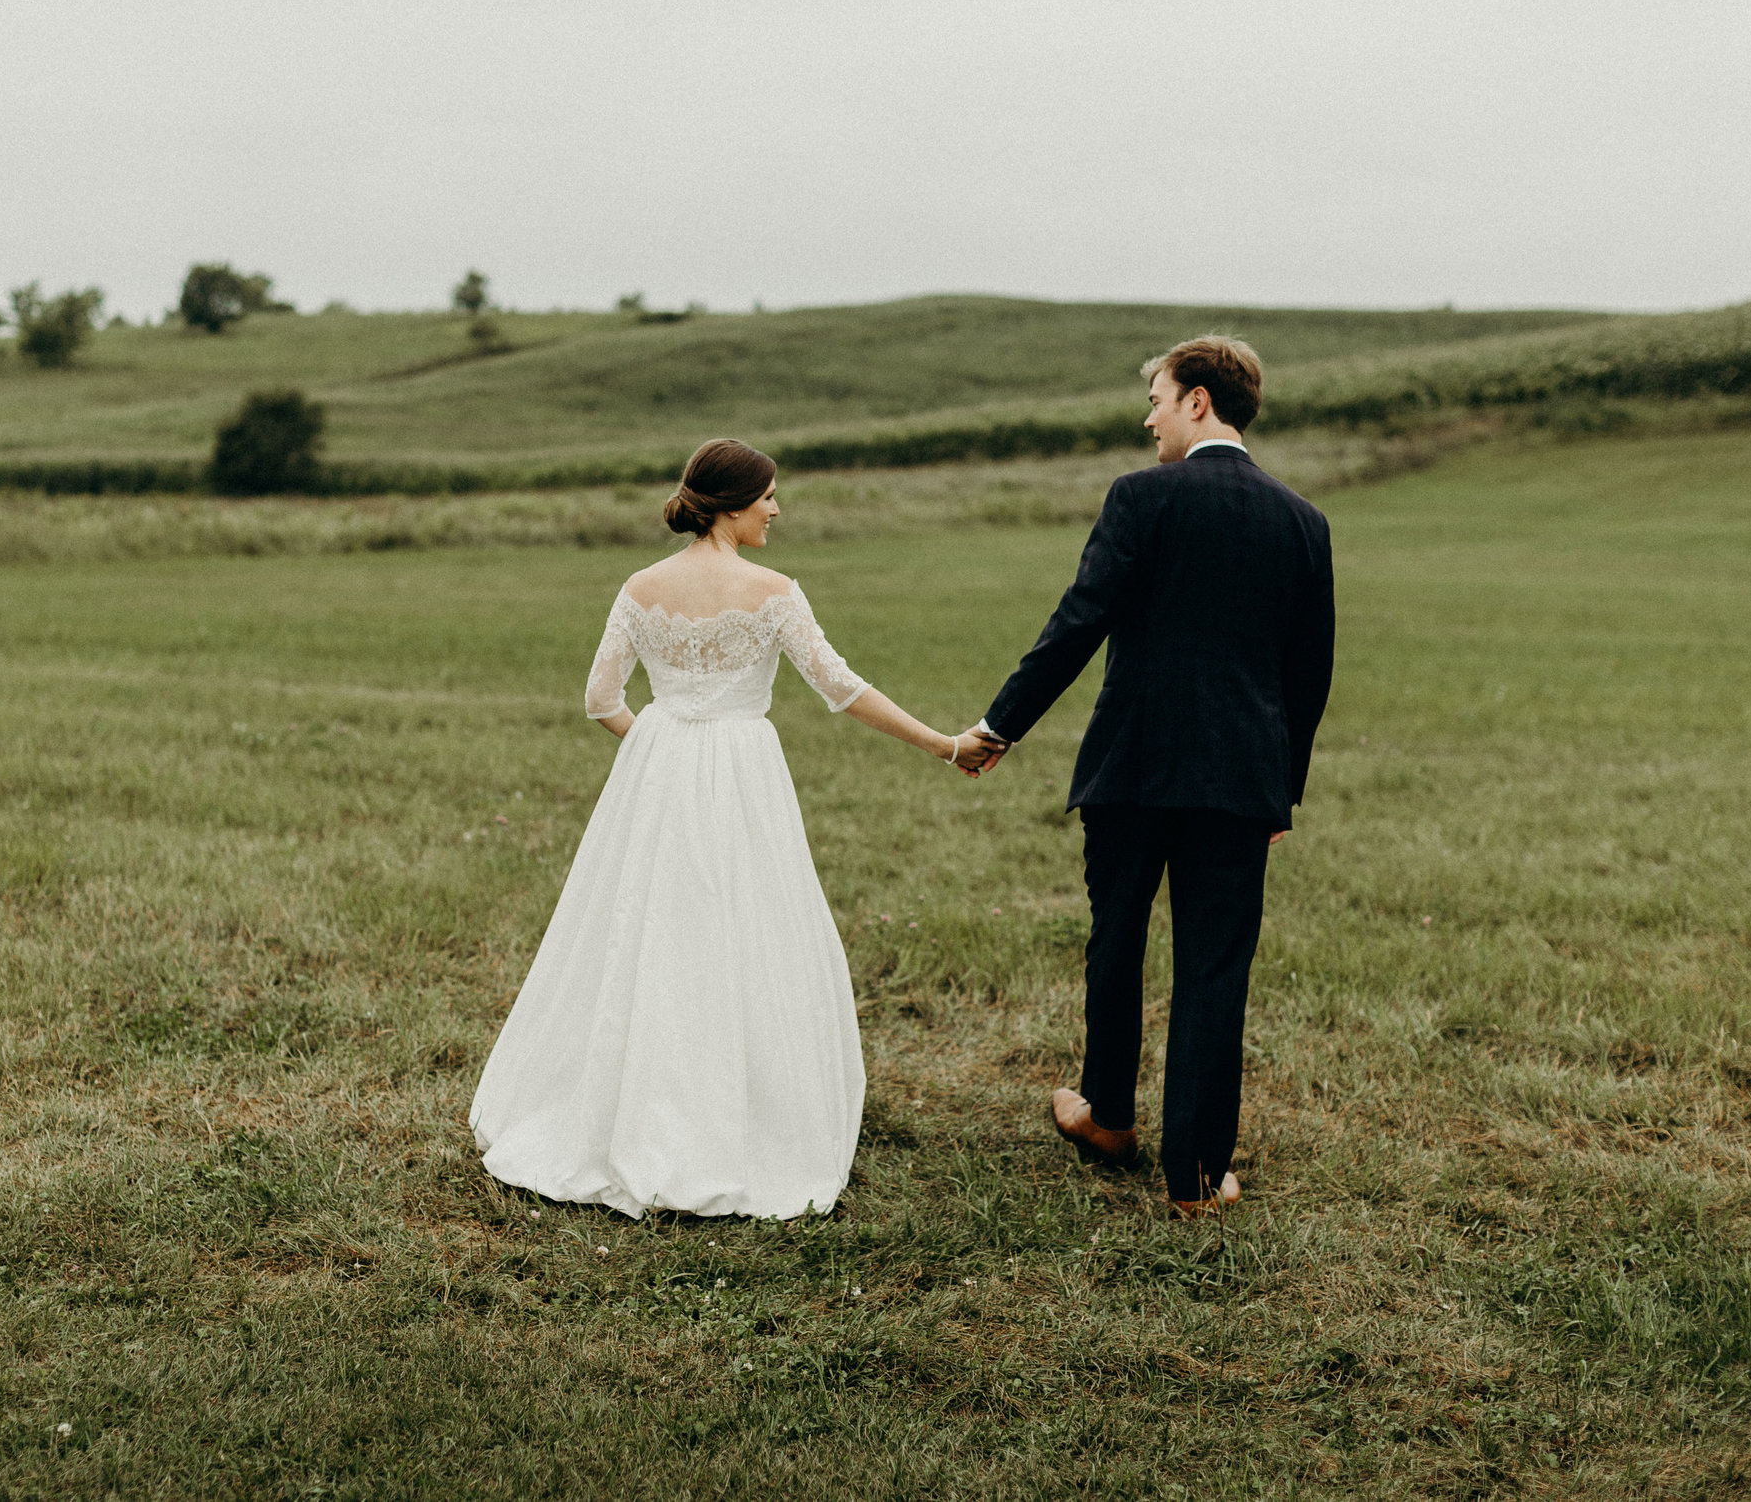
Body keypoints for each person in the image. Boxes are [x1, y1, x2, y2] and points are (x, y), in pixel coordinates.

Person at [470, 438, 981, 1219]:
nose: (777, 509)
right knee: (750, 932)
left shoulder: (640, 586)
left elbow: (600, 697)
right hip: (745, 772)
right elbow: (842, 689)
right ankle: (742, 1120)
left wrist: (660, 746)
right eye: (769, 496)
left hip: (660, 768)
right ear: (736, 503)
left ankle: (631, 1109)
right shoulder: (772, 589)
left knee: (645, 934)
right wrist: (946, 745)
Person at [957, 337, 1335, 1217]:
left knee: (1116, 936)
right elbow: (1307, 673)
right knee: (1214, 966)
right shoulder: (1301, 520)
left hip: (1131, 766)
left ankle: (1111, 1117)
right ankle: (1198, 1179)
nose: (1150, 417)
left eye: (1159, 400)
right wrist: (1283, 788)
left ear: (1199, 401)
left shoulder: (1139, 495)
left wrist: (998, 725)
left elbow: (1077, 624)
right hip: (1240, 781)